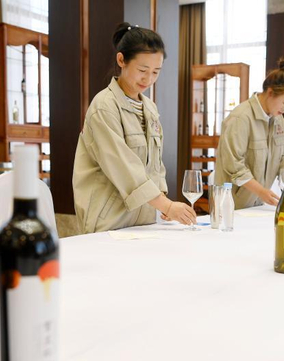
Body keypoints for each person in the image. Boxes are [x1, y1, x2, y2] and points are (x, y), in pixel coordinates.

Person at [73, 23, 196, 233]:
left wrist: (162, 200)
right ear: (121, 60)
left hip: (143, 221)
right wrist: (166, 205)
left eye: (156, 72)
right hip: (109, 221)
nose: (149, 79)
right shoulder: (104, 107)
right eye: (142, 70)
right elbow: (123, 167)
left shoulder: (150, 108)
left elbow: (156, 165)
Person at [214, 59, 284, 209]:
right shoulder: (241, 118)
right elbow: (234, 166)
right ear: (270, 93)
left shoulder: (278, 119)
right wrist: (261, 191)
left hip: (257, 205)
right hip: (232, 206)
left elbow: (283, 156)